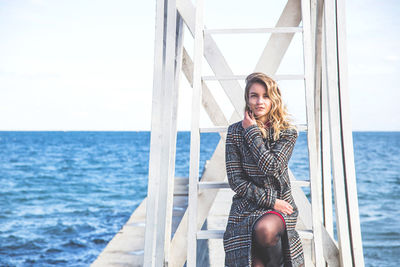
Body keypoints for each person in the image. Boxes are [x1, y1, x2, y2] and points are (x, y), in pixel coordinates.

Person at [223, 72, 304, 267]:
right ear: (247, 99)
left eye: (265, 96)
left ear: (273, 99)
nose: (260, 101)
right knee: (254, 262)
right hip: (246, 205)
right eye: (254, 95)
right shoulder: (234, 132)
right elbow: (236, 180)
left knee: (265, 231)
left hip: (281, 205)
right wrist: (269, 201)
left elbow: (271, 166)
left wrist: (251, 132)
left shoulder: (287, 132)